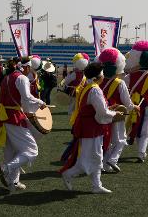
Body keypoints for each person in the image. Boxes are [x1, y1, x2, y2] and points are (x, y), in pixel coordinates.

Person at [61, 62, 124, 194]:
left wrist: (109, 109)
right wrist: (114, 114)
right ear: (98, 76)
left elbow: (97, 109)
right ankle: (68, 174)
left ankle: (96, 185)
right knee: (89, 158)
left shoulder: (88, 86)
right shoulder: (95, 89)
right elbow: (102, 113)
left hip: (90, 126)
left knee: (96, 156)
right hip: (91, 128)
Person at [0, 56, 46, 192]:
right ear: (27, 67)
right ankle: (7, 168)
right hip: (15, 117)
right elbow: (26, 97)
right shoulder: (22, 78)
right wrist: (40, 102)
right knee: (32, 150)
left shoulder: (7, 77)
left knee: (12, 151)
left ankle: (13, 182)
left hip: (5, 117)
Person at [97, 48, 138, 172]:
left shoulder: (98, 81)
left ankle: (104, 164)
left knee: (106, 140)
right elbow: (127, 102)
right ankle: (112, 160)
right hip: (117, 114)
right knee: (120, 139)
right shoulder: (120, 83)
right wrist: (134, 107)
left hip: (102, 114)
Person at [124, 41, 148, 162]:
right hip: (144, 105)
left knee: (135, 126)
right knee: (145, 131)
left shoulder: (130, 76)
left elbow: (125, 88)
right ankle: (141, 152)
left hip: (135, 105)